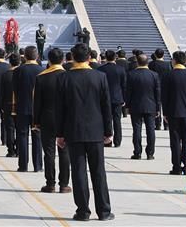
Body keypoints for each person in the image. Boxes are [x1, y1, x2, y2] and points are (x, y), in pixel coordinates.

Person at [56, 43, 114, 221]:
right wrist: (108, 131)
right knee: (98, 171)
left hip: (73, 131)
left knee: (79, 171)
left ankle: (83, 211)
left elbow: (60, 110)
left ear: (72, 57)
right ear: (89, 57)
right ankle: (104, 211)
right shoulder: (100, 77)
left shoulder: (64, 78)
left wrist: (60, 133)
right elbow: (106, 107)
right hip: (96, 131)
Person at [34, 47, 71, 194]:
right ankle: (64, 184)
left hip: (47, 118)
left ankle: (50, 183)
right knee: (64, 151)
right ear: (62, 60)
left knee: (48, 152)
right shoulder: (68, 76)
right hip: (65, 118)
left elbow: (37, 103)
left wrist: (36, 122)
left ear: (48, 60)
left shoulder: (41, 77)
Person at [162, 50, 186, 175]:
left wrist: (165, 113)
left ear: (174, 61)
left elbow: (164, 96)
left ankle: (176, 167)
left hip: (173, 112)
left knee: (175, 140)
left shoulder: (168, 75)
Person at [13, 46, 43, 173]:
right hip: (37, 109)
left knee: (22, 136)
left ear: (24, 56)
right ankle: (37, 165)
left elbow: (14, 89)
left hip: (22, 107)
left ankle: (23, 165)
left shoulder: (18, 70)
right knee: (37, 137)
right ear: (37, 56)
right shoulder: (42, 70)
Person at [126, 53, 160, 160]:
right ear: (147, 62)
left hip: (135, 106)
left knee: (136, 130)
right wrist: (158, 108)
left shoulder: (131, 74)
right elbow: (157, 93)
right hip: (150, 106)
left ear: (137, 61)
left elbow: (128, 92)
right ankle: (150, 153)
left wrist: (127, 105)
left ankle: (137, 152)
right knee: (150, 130)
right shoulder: (154, 75)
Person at [97, 50, 126, 148]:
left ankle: (107, 140)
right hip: (117, 98)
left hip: (104, 98)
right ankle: (117, 141)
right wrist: (124, 98)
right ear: (115, 57)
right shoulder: (121, 69)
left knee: (106, 119)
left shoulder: (100, 69)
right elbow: (123, 85)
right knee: (117, 120)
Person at [0, 53, 20, 158]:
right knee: (20, 129)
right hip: (20, 105)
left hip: (7, 104)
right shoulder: (22, 73)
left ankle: (11, 150)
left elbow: (2, 92)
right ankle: (19, 149)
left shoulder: (5, 75)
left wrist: (1, 106)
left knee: (10, 129)